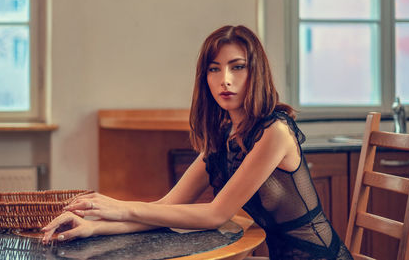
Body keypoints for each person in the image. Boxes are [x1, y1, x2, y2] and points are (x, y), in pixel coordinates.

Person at [42, 25, 353, 259]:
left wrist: (119, 208)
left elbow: (215, 214)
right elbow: (167, 207)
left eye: (237, 66)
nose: (225, 79)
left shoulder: (275, 132)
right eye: (214, 69)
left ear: (256, 72)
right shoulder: (223, 138)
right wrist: (95, 226)